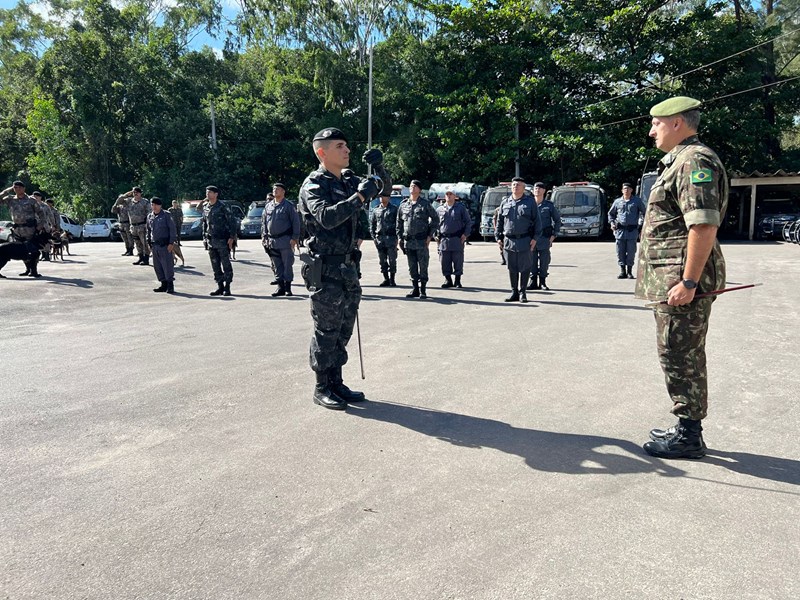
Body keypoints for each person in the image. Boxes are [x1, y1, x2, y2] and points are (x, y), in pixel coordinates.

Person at [636, 96, 728, 460]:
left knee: (681, 354)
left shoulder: (694, 161)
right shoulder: (681, 161)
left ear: (676, 122)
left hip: (682, 282)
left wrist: (689, 282)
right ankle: (685, 425)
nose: (651, 130)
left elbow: (703, 223)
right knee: (677, 351)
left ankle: (689, 434)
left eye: (656, 124)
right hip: (674, 279)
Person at [298, 127, 388, 410]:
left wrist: (380, 167)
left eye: (347, 146)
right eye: (340, 146)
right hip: (325, 269)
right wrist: (359, 198)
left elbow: (381, 187)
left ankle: (336, 381)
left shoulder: (349, 179)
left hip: (348, 268)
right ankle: (322, 385)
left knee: (343, 329)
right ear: (322, 152)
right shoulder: (313, 185)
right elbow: (326, 217)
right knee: (326, 330)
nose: (347, 150)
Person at [496, 177, 541, 303]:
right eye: (514, 184)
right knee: (512, 268)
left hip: (524, 239)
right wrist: (498, 237)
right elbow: (499, 221)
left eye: (519, 185)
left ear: (524, 187)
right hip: (509, 241)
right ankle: (514, 292)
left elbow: (537, 222)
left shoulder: (530, 202)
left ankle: (523, 293)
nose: (516, 186)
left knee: (525, 267)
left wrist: (535, 239)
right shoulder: (505, 202)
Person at [397, 180, 439, 298]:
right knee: (412, 267)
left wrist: (430, 235)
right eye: (411, 186)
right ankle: (415, 289)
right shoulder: (404, 204)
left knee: (423, 266)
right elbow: (399, 222)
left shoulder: (425, 204)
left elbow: (435, 219)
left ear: (419, 190)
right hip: (408, 241)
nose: (412, 188)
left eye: (415, 186)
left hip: (421, 241)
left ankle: (423, 290)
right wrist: (400, 237)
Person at [0, 180, 49, 277]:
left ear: (23, 188)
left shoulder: (31, 200)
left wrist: (40, 225)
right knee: (21, 251)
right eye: (15, 188)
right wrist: (7, 190)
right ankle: (27, 269)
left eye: (18, 187)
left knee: (33, 250)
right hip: (17, 230)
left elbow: (41, 213)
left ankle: (33, 271)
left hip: (30, 229)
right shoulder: (10, 199)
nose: (16, 189)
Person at [261, 182, 301, 297]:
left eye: (277, 189)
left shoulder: (288, 206)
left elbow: (296, 222)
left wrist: (295, 238)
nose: (275, 191)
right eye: (274, 189)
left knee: (287, 264)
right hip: (272, 241)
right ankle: (280, 287)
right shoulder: (268, 205)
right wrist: (264, 237)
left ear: (283, 191)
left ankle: (288, 288)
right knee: (277, 265)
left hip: (285, 240)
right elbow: (263, 222)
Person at [201, 185, 237, 296]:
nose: (208, 194)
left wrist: (231, 237)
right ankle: (220, 286)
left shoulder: (223, 206)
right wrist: (204, 238)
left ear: (216, 194)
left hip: (222, 240)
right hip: (211, 240)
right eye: (207, 192)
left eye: (210, 192)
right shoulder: (206, 207)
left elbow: (232, 222)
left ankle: (227, 287)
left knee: (226, 264)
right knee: (215, 265)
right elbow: (204, 223)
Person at [609, 182, 646, 279]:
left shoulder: (637, 201)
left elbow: (644, 212)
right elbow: (611, 214)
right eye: (624, 188)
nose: (626, 190)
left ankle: (629, 271)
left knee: (631, 252)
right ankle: (622, 271)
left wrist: (641, 224)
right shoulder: (617, 202)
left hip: (632, 231)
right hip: (620, 231)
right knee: (620, 252)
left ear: (631, 190)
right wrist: (612, 224)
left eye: (628, 188)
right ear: (622, 190)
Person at [436, 187, 472, 288]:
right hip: (444, 239)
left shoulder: (461, 208)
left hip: (457, 238)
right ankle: (448, 280)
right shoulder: (440, 209)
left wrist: (465, 234)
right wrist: (435, 235)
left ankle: (457, 280)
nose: (448, 196)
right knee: (444, 261)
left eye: (451, 194)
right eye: (447, 194)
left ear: (455, 196)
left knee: (458, 260)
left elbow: (468, 222)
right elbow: (434, 223)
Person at [530, 182, 561, 290]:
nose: (537, 190)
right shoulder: (528, 204)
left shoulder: (549, 205)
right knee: (531, 260)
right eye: (535, 188)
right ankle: (533, 281)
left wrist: (554, 235)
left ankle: (542, 282)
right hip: (531, 237)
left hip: (544, 238)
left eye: (539, 188)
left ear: (543, 191)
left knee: (544, 261)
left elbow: (557, 220)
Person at [146, 197, 177, 294]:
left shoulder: (166, 215)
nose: (154, 207)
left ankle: (170, 285)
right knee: (157, 266)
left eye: (156, 205)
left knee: (167, 265)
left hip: (165, 245)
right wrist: (149, 243)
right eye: (152, 205)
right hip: (155, 245)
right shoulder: (150, 216)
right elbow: (148, 230)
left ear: (160, 206)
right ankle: (163, 284)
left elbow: (172, 229)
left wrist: (171, 243)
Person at [114, 187, 151, 265]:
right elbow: (118, 202)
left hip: (142, 225)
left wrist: (147, 224)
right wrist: (126, 194)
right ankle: (140, 258)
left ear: (141, 193)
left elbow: (149, 213)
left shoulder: (145, 202)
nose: (135, 193)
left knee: (145, 243)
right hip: (133, 226)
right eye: (134, 192)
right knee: (137, 243)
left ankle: (146, 259)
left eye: (137, 192)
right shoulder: (129, 201)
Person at [369, 192, 399, 287]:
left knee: (392, 259)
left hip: (391, 237)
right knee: (382, 260)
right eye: (380, 197)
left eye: (384, 196)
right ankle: (386, 278)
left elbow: (398, 224)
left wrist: (397, 237)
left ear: (389, 198)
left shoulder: (394, 209)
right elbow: (372, 224)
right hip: (380, 238)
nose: (381, 198)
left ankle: (392, 279)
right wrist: (374, 237)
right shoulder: (376, 210)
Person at [167, 200, 185, 267]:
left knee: (178, 234)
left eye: (175, 203)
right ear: (172, 204)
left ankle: (178, 242)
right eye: (173, 203)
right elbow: (168, 217)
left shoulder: (179, 210)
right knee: (173, 234)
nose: (175, 204)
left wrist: (181, 221)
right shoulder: (170, 210)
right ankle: (174, 241)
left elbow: (181, 216)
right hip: (172, 224)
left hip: (178, 223)